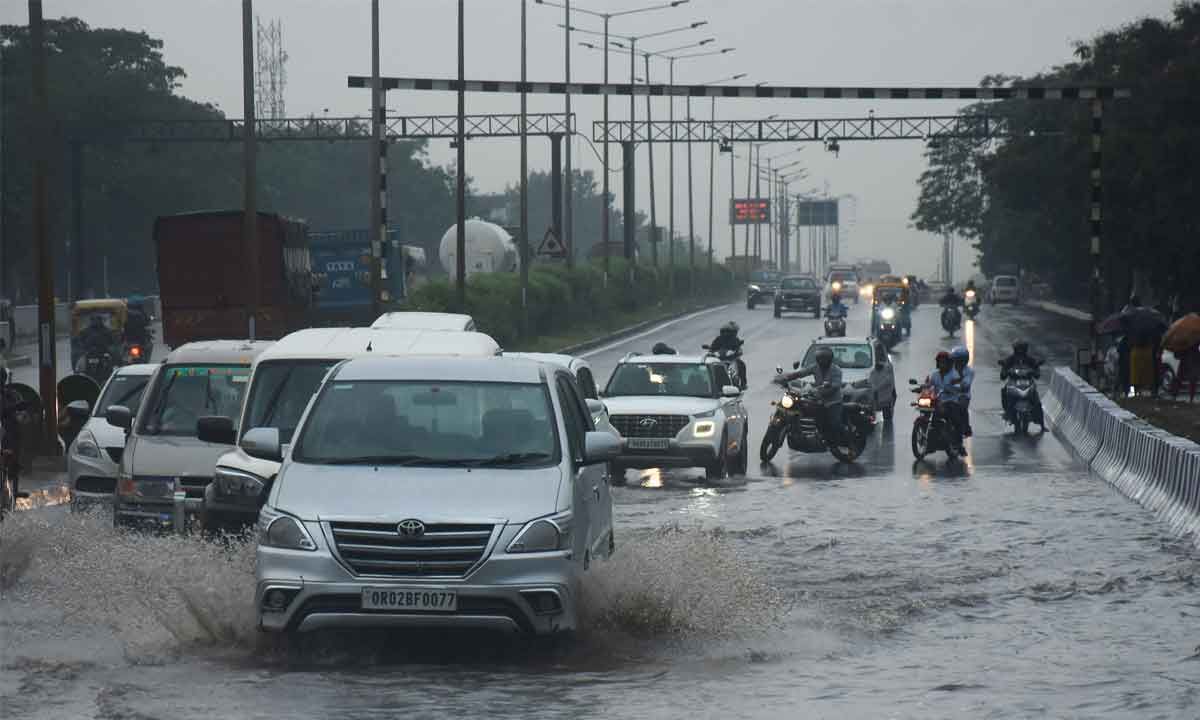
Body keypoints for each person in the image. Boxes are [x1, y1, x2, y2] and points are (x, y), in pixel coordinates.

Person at [774, 346, 844, 443]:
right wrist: (786, 377)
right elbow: (801, 373)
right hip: (819, 399)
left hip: (833, 401)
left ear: (829, 359)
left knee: (835, 424)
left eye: (823, 359)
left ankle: (841, 439)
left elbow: (836, 386)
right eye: (819, 359)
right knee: (806, 410)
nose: (821, 361)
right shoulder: (815, 367)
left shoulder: (836, 370)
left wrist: (827, 386)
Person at [999, 340, 1044, 427]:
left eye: (1022, 350)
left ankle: (1041, 423)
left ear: (1025, 350)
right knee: (1004, 391)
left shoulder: (1030, 360)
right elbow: (1003, 374)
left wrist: (1036, 370)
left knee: (1037, 401)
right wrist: (1004, 370)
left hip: (1028, 383)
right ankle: (1007, 412)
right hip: (1013, 383)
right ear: (1015, 349)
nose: (1020, 352)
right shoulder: (1010, 359)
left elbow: (1036, 371)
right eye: (1018, 350)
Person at [928, 351, 966, 449]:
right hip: (938, 401)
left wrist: (953, 387)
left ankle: (958, 442)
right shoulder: (935, 374)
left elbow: (959, 384)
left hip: (951, 401)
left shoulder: (954, 374)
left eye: (944, 362)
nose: (942, 364)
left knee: (954, 416)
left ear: (948, 363)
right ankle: (931, 441)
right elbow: (929, 384)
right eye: (940, 362)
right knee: (931, 415)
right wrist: (921, 388)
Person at [708, 321, 747, 386]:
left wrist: (738, 351)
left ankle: (743, 383)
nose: (726, 333)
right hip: (718, 360)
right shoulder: (718, 339)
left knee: (741, 364)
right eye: (725, 331)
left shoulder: (735, 339)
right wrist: (711, 350)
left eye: (727, 331)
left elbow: (738, 348)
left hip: (731, 359)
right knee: (708, 367)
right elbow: (713, 347)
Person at [868, 341, 896, 422]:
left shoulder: (887, 367)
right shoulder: (873, 368)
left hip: (884, 396)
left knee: (887, 417)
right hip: (876, 395)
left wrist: (876, 388)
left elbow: (888, 381)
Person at [950, 345, 974, 437]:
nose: (956, 362)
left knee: (962, 407)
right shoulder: (949, 369)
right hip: (948, 394)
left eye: (958, 360)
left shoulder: (969, 371)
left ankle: (966, 427)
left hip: (963, 395)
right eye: (954, 360)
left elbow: (966, 385)